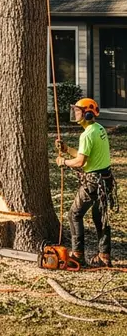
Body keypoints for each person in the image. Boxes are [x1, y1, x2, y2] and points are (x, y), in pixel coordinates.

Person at [56, 98, 116, 268]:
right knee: (100, 218)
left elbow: (81, 162)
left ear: (87, 113)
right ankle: (104, 256)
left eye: (78, 110)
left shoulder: (87, 134)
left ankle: (77, 255)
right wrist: (68, 150)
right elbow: (86, 155)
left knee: (74, 214)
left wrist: (64, 161)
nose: (75, 113)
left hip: (93, 182)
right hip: (105, 180)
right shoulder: (99, 129)